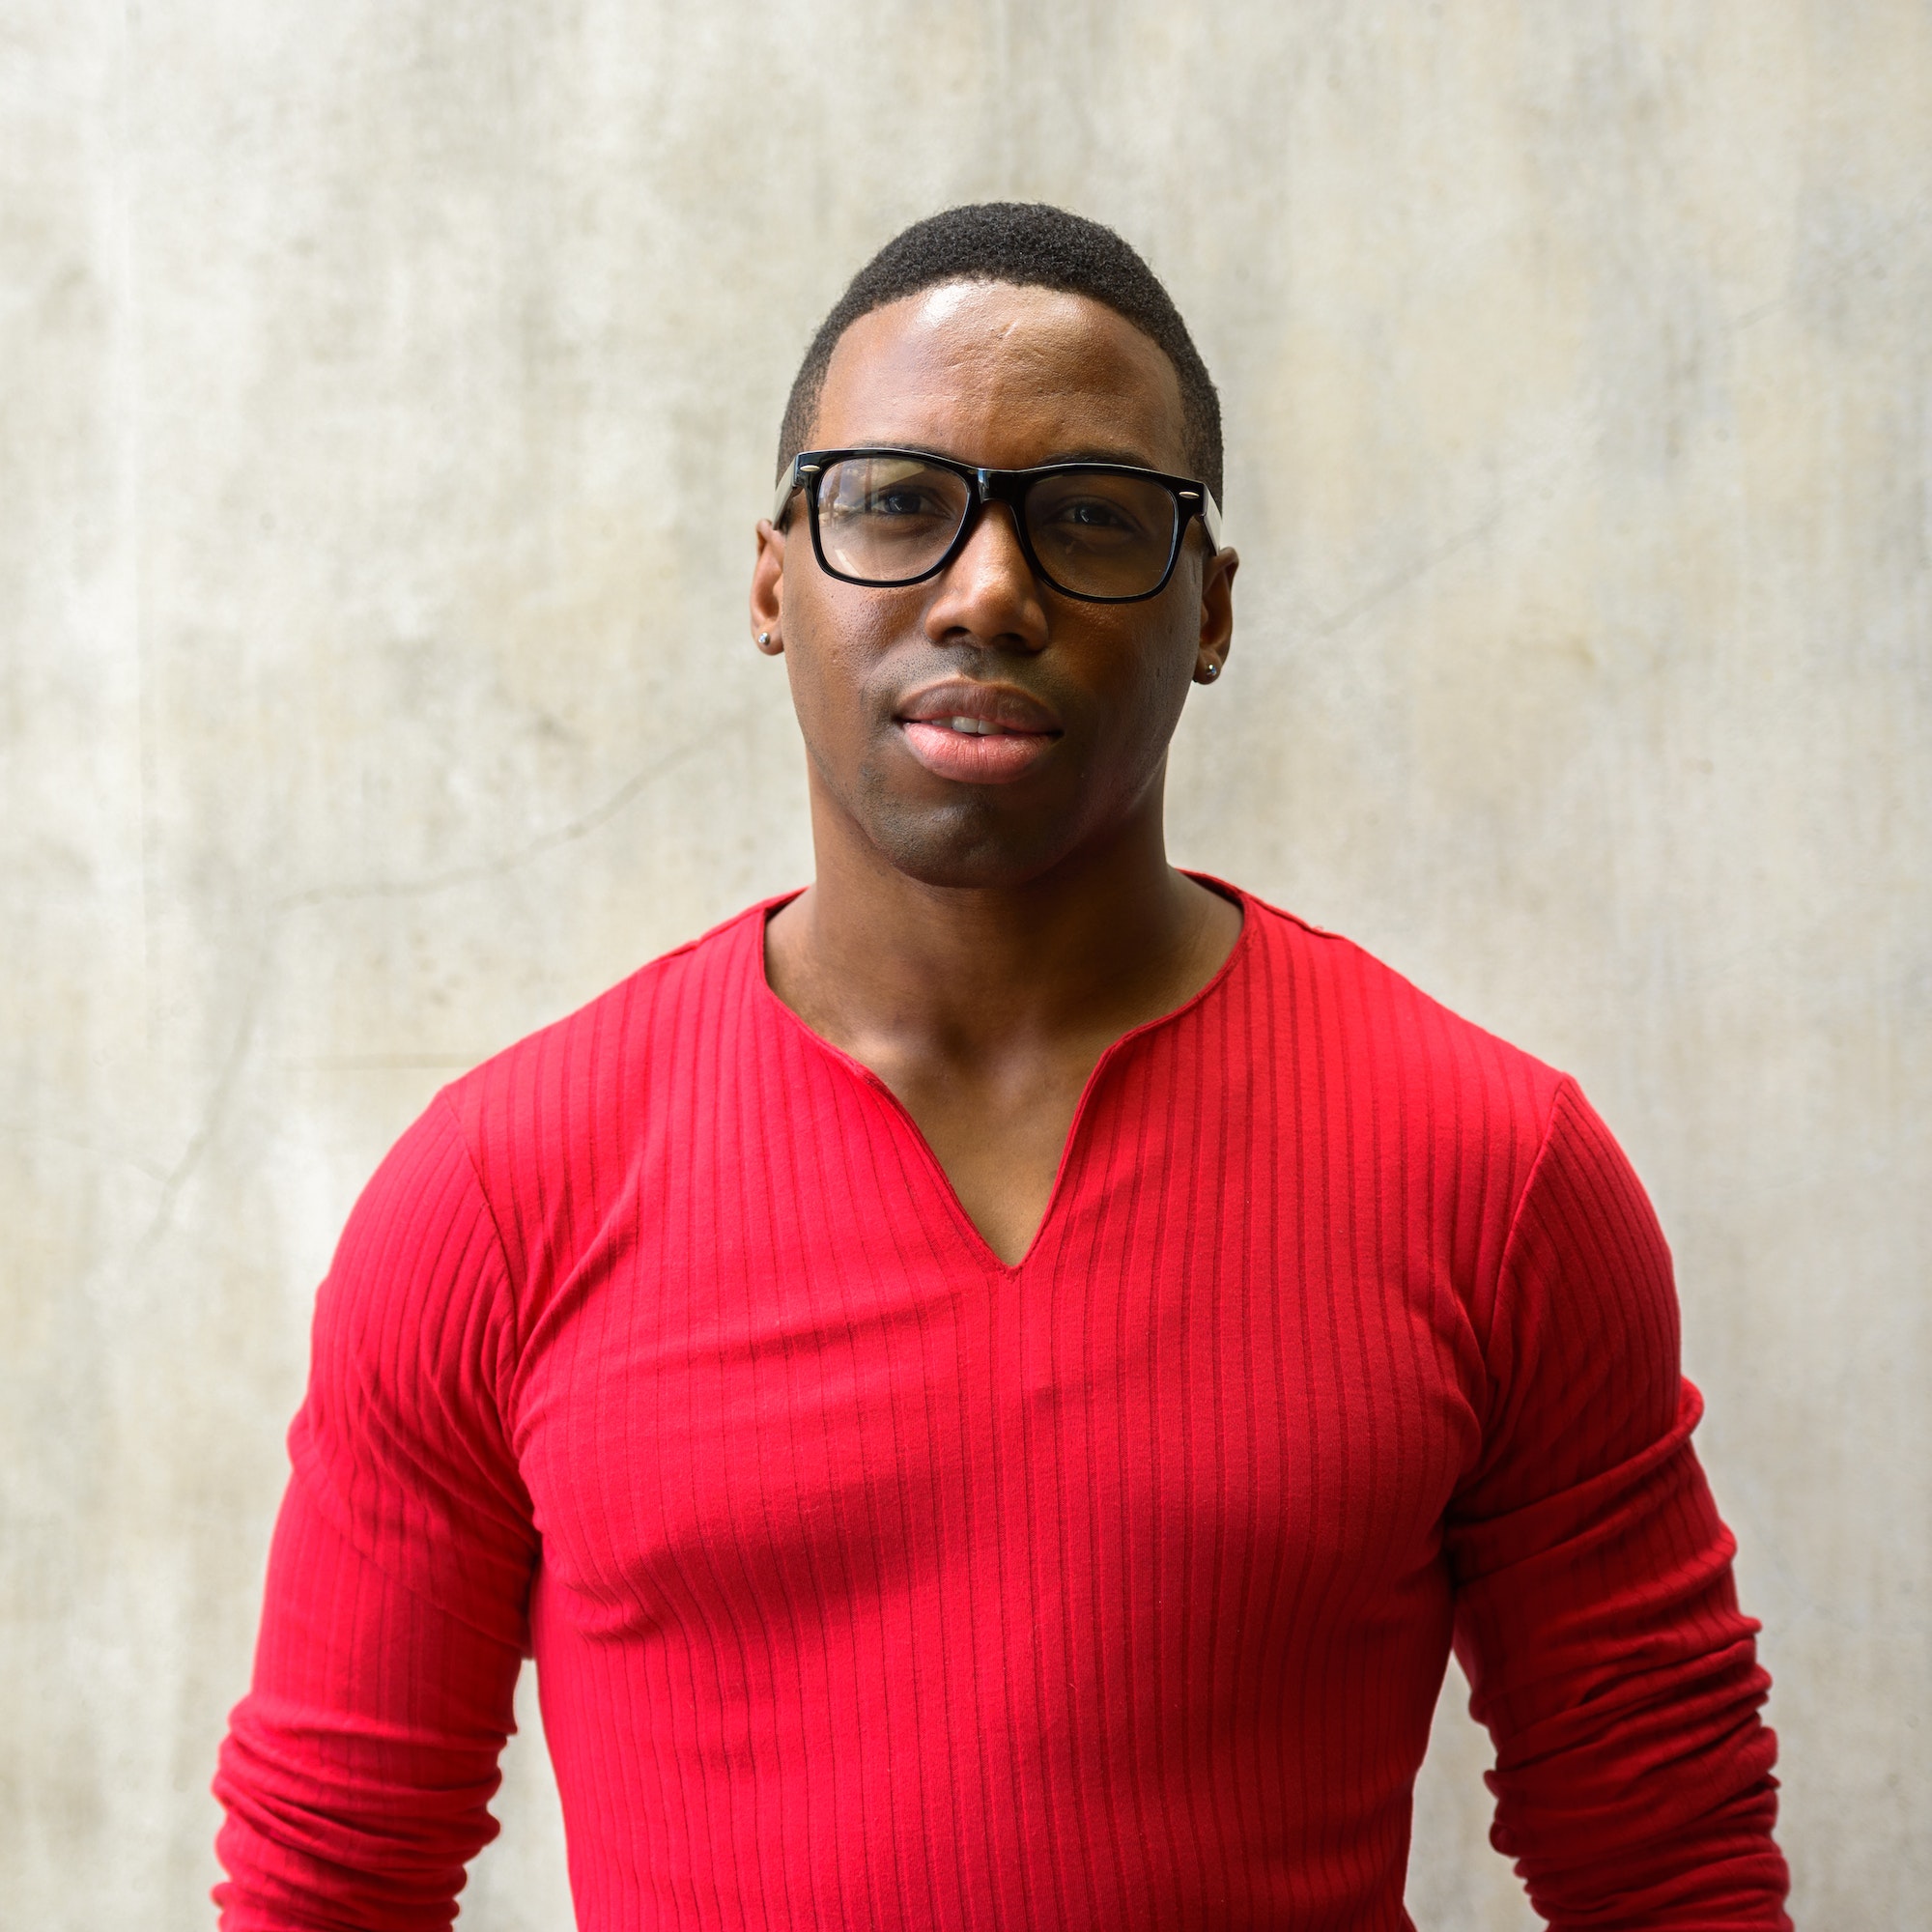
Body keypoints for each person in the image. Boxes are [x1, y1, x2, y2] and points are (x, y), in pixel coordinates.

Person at [213, 203, 1790, 1930]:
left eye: (1094, 520)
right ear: (770, 580)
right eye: (894, 503)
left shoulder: (1496, 1175)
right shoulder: (501, 1193)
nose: (987, 590)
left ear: (1210, 608)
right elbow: (333, 1879)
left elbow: (1668, 1866)